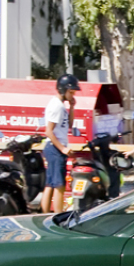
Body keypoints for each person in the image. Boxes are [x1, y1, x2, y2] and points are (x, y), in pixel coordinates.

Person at [42, 74, 80, 213]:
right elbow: (49, 132)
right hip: (54, 149)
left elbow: (69, 125)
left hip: (55, 148)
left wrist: (72, 107)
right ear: (63, 90)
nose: (73, 95)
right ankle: (58, 216)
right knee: (59, 185)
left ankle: (44, 214)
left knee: (51, 184)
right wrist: (62, 148)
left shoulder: (61, 106)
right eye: (71, 92)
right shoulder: (56, 106)